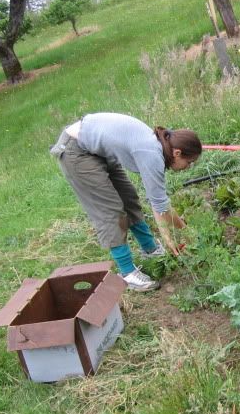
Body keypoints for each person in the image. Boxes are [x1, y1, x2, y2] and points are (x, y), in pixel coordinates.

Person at [51, 113, 202, 291]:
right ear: (177, 153)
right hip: (75, 151)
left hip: (95, 149)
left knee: (128, 199)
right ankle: (128, 273)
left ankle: (150, 249)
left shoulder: (157, 145)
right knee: (110, 211)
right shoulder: (151, 155)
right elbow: (162, 207)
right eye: (189, 162)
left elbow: (158, 205)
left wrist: (168, 235)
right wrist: (185, 232)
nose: (188, 167)